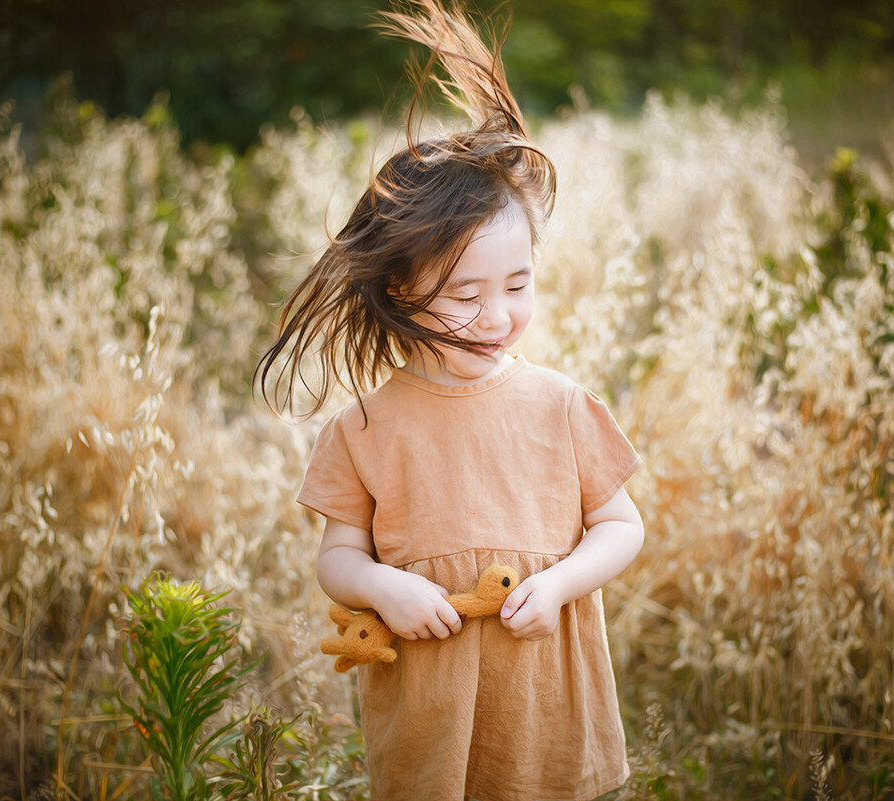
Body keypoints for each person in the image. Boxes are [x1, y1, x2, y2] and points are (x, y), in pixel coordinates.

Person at [257, 2, 643, 798]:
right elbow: (338, 557)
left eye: (517, 284)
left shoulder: (563, 406)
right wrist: (381, 586)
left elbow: (622, 526)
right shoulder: (366, 426)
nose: (496, 316)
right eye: (464, 294)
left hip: (546, 710)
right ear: (399, 288)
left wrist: (565, 581)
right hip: (432, 714)